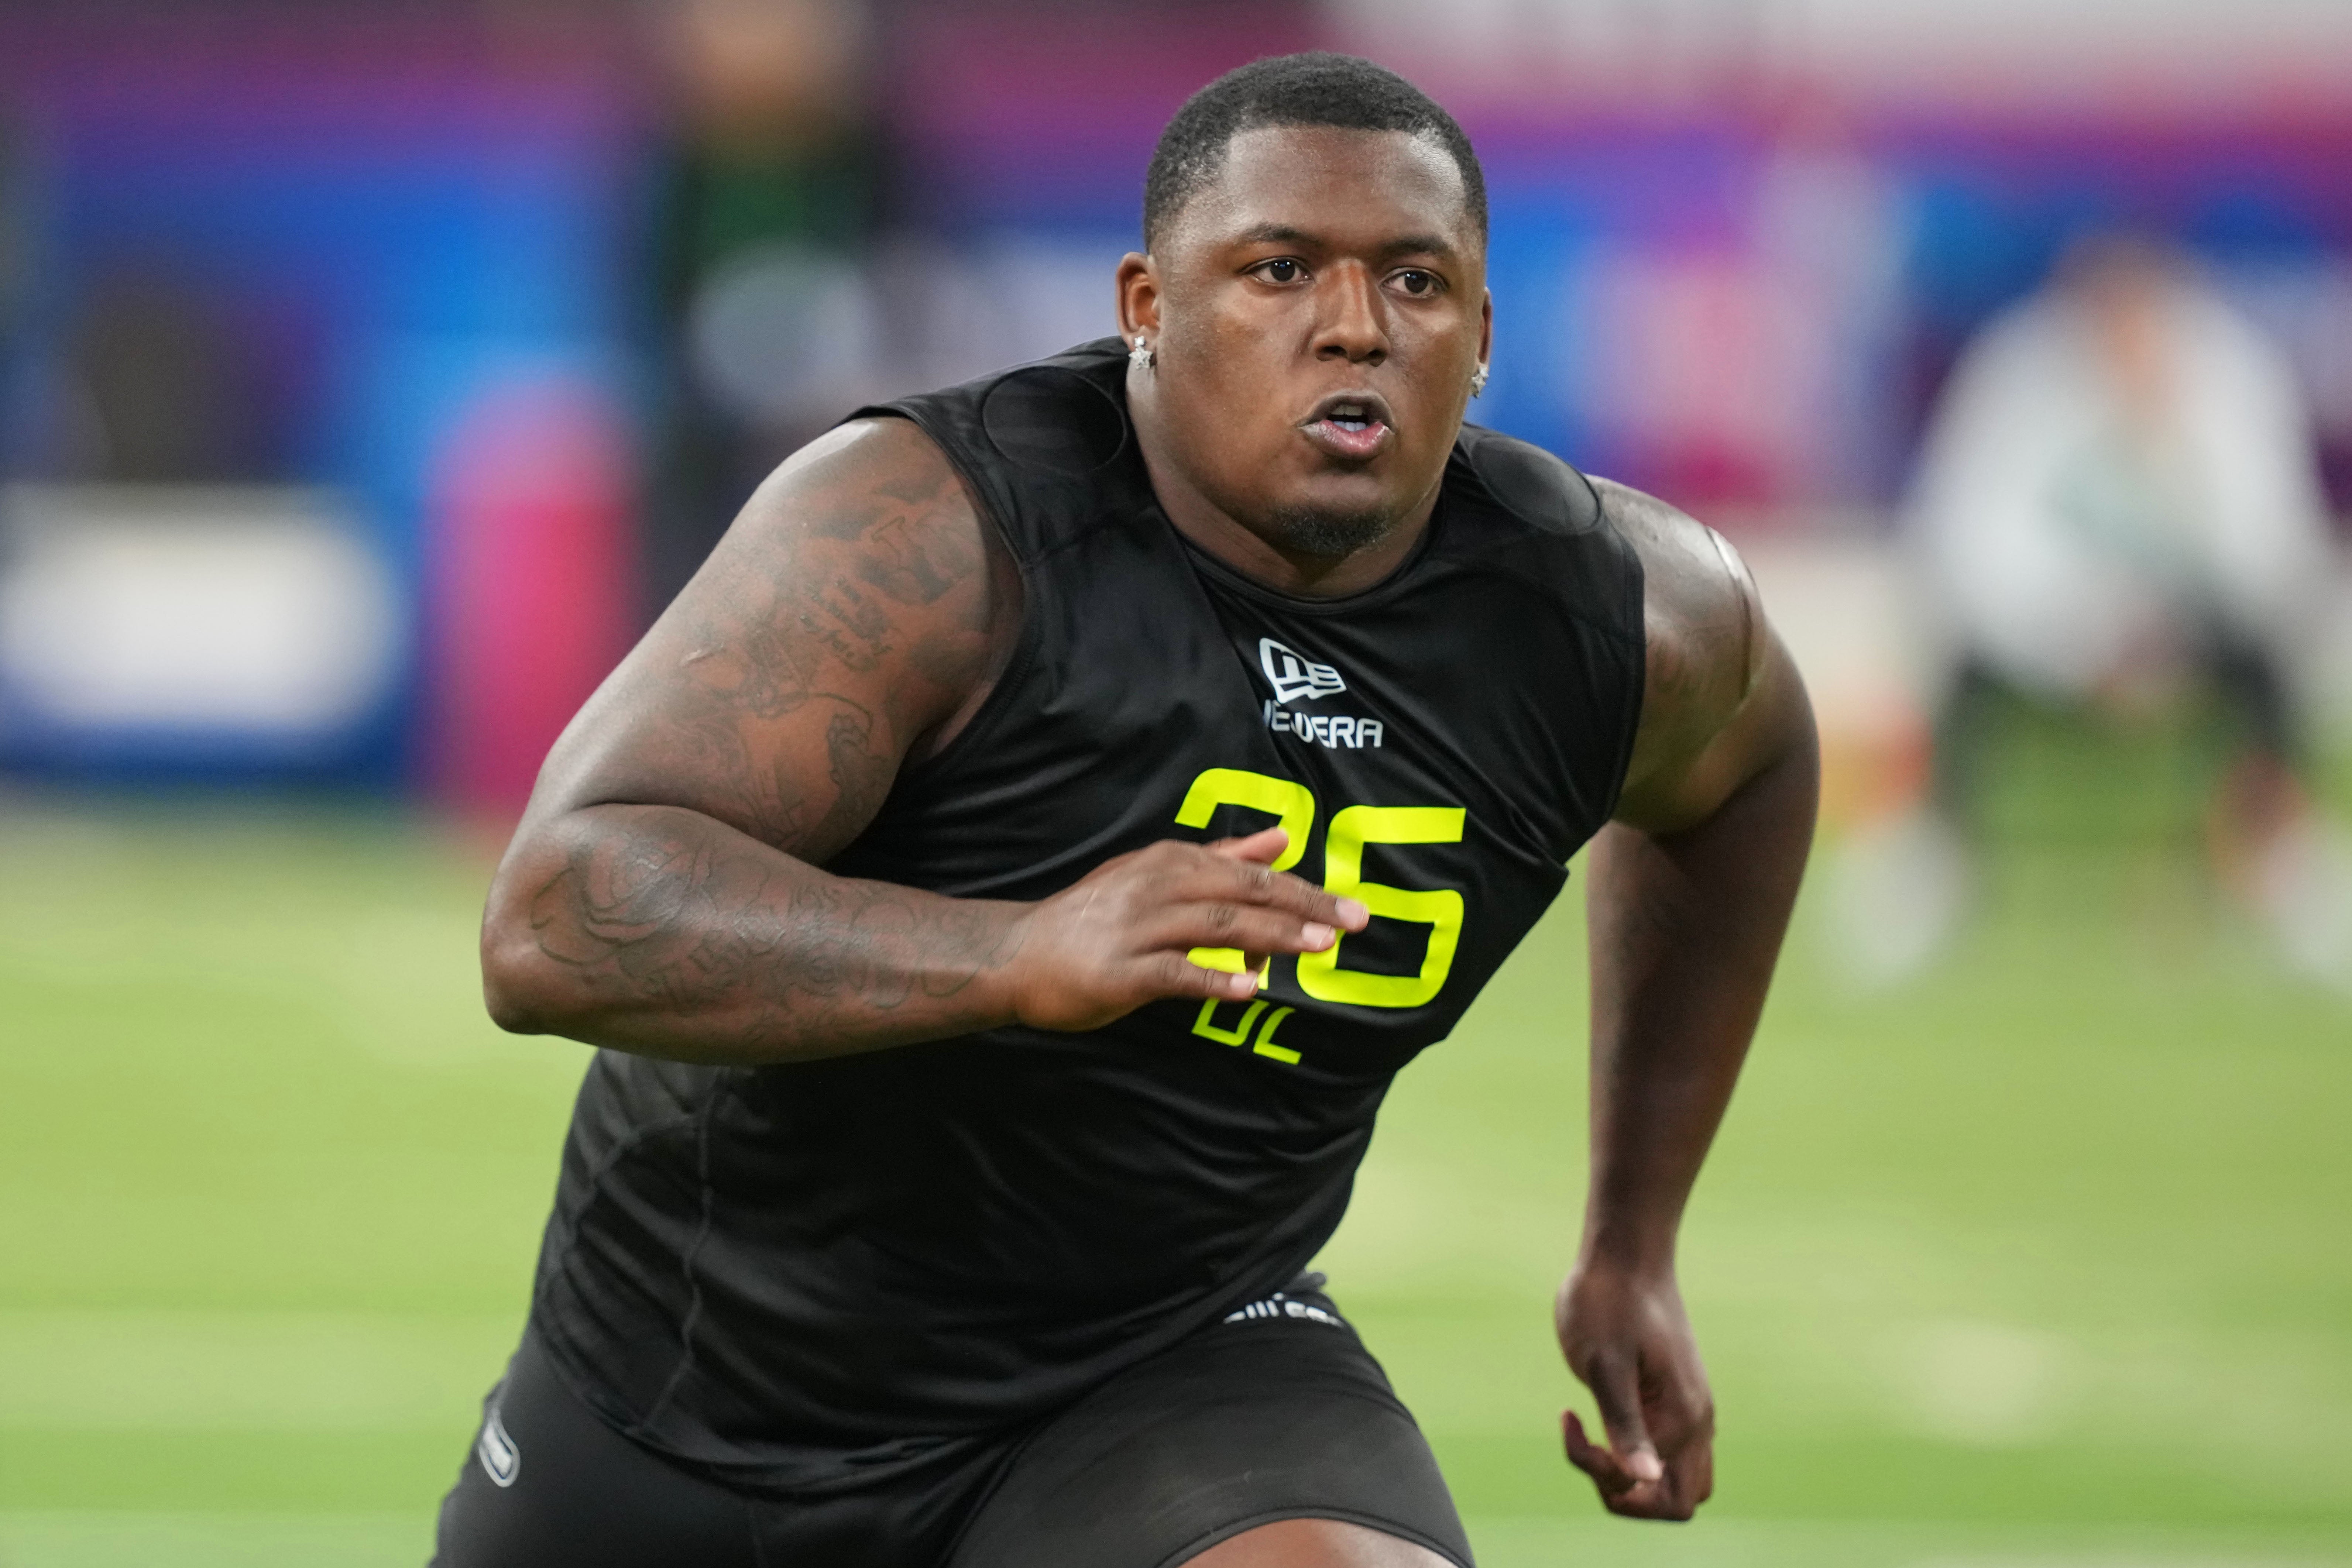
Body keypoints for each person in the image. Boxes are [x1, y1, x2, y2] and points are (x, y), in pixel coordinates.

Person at [435, 53, 1817, 1568]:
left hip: (1167, 1367)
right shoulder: (932, 530)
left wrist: (1633, 1238)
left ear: (1481, 336)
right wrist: (1019, 955)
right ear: (1148, 309)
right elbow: (557, 916)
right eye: (1279, 270)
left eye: (1415, 283)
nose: (1352, 326)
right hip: (711, 1380)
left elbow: (1747, 776)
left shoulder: (1608, 617)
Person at [1838, 233, 2348, 986]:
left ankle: (2277, 859)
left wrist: (2172, 463)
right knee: (1954, 661)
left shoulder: (2230, 374)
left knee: (2271, 664)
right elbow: (1969, 542)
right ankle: (1935, 860)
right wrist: (2093, 637)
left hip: (2196, 635)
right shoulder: (2020, 374)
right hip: (2053, 638)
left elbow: (2275, 545)